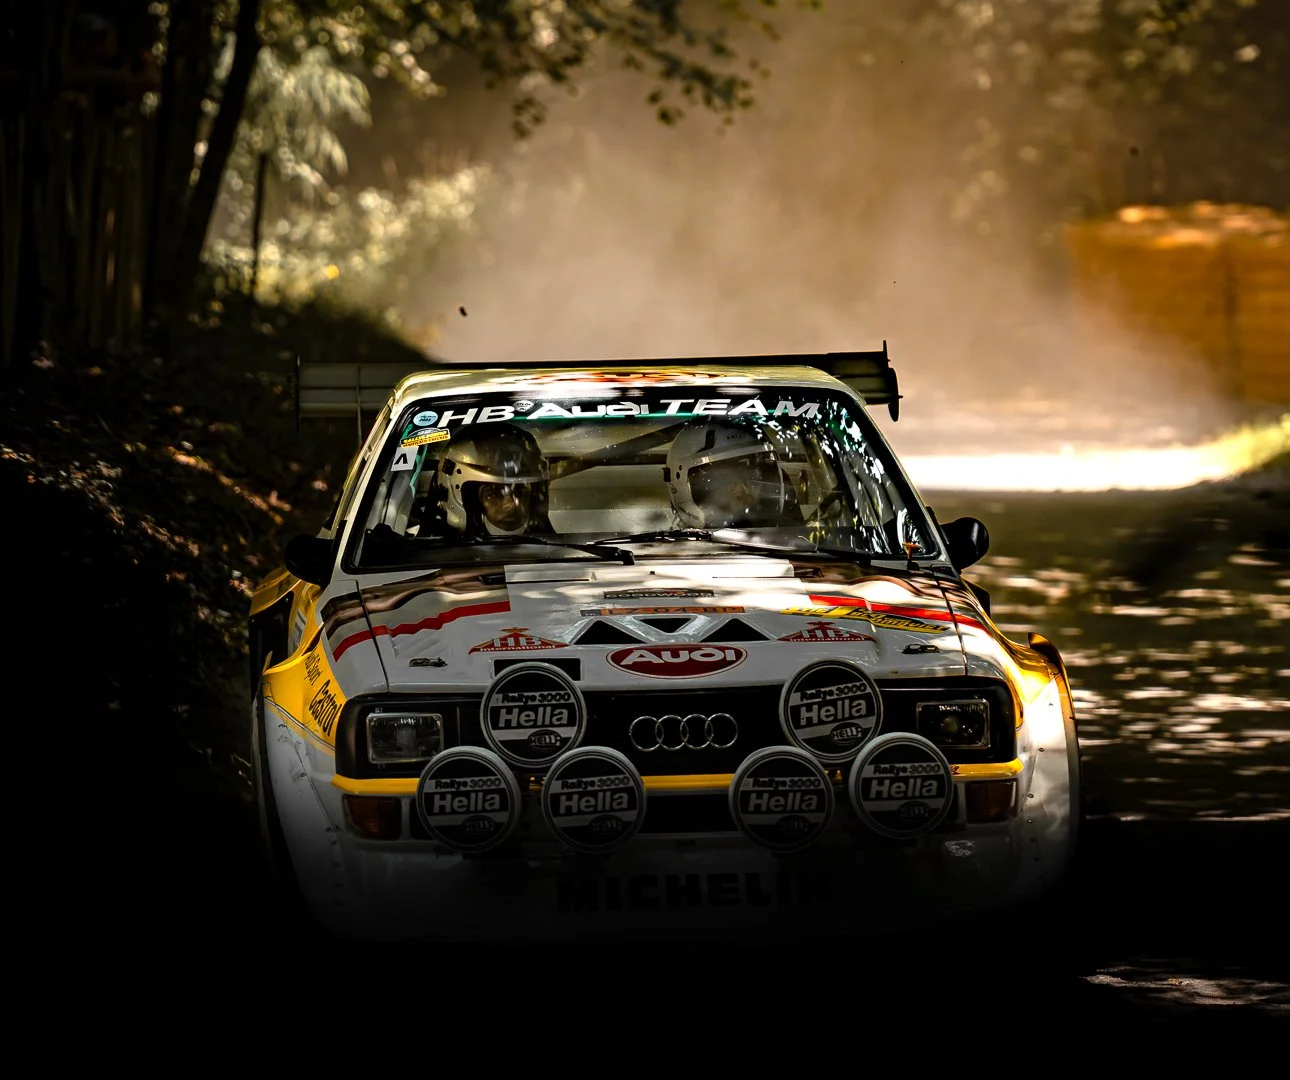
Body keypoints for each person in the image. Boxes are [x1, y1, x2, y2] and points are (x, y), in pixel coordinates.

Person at [664, 417, 801, 529]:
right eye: (727, 480)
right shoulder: (665, 551)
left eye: (752, 477)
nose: (743, 491)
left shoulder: (796, 543)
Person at [428, 423, 553, 538]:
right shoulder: (426, 553)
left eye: (519, 492)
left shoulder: (556, 549)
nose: (510, 505)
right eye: (493, 494)